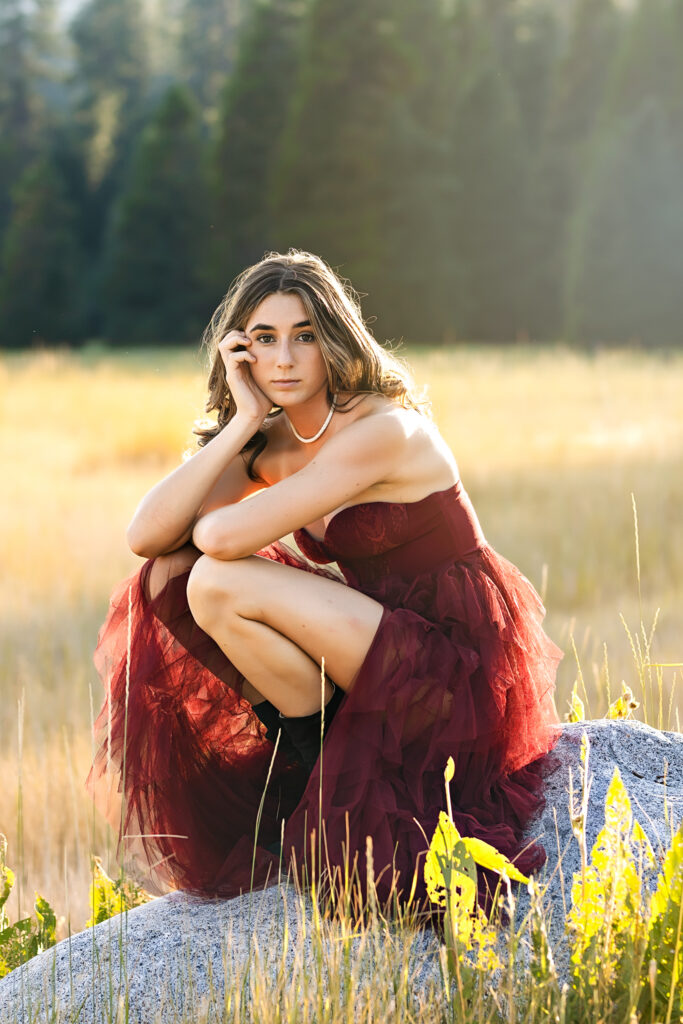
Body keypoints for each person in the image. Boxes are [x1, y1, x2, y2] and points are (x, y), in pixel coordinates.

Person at [86, 249, 563, 915]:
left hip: (449, 669)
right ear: (240, 353)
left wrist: (252, 434)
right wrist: (243, 424)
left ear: (333, 339)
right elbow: (148, 535)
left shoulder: (382, 431)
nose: (283, 360)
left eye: (303, 337)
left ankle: (323, 759)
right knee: (172, 575)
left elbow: (220, 540)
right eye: (262, 340)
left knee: (214, 583)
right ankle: (320, 759)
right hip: (374, 644)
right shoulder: (280, 438)